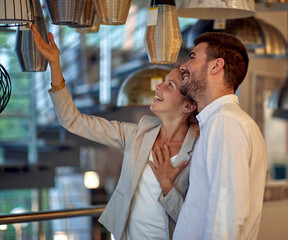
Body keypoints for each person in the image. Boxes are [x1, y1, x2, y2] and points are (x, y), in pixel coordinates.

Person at [29, 24, 198, 240]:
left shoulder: (199, 149)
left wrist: (167, 185)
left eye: (170, 85)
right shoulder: (138, 135)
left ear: (188, 106)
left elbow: (198, 220)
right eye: (163, 81)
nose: (158, 87)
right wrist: (54, 64)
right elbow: (73, 121)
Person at [172, 32, 268, 239]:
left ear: (216, 66)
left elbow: (227, 213)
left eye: (192, 58)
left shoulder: (225, 122)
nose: (183, 67)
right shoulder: (219, 121)